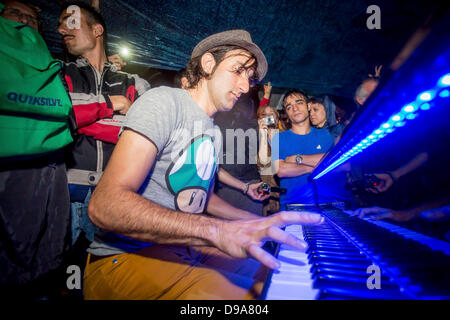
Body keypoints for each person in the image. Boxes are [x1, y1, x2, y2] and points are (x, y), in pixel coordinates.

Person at [84, 29, 324, 300]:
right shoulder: (164, 102)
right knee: (249, 299)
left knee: (270, 275)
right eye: (238, 70)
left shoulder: (212, 130)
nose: (246, 86)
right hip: (124, 258)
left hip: (182, 247)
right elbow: (105, 206)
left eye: (249, 77)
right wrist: (216, 231)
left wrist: (257, 222)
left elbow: (202, 198)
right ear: (208, 64)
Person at [57, 1, 150, 245]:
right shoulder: (57, 72)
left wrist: (82, 118)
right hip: (65, 194)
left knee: (109, 274)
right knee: (60, 275)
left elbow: (143, 135)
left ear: (97, 30)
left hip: (115, 195)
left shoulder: (134, 81)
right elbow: (57, 120)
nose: (61, 30)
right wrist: (112, 105)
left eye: (70, 21)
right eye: (59, 24)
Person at [0, 0, 73, 298]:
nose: (25, 22)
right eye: (15, 14)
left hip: (48, 171)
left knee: (43, 251)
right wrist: (109, 106)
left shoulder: (45, 62)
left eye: (31, 19)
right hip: (10, 168)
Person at [272, 90, 335, 208]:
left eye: (299, 103)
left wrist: (297, 159)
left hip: (326, 204)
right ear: (287, 113)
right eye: (289, 107)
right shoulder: (278, 138)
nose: (294, 108)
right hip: (293, 207)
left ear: (308, 106)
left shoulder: (325, 134)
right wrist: (316, 168)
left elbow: (335, 161)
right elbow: (281, 170)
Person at [256, 105, 285, 215]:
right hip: (268, 195)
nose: (268, 116)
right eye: (264, 114)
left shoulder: (286, 136)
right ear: (260, 119)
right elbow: (263, 169)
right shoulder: (255, 137)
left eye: (271, 113)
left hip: (286, 194)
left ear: (277, 118)